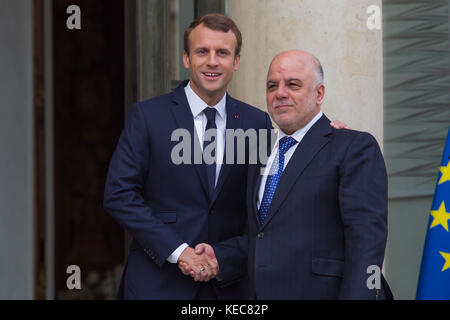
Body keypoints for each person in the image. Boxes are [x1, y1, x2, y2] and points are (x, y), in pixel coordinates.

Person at [104, 13, 345, 299]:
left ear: (236, 61)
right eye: (202, 52)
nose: (212, 61)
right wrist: (180, 252)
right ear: (186, 59)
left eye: (223, 53)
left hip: (229, 286)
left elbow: (277, 183)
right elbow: (119, 194)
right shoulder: (147, 116)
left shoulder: (256, 122)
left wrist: (327, 134)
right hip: (158, 284)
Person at [244, 50, 392, 299]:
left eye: (293, 84)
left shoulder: (353, 147)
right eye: (272, 86)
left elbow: (367, 244)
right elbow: (258, 235)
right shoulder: (258, 151)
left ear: (319, 93)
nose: (280, 93)